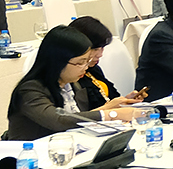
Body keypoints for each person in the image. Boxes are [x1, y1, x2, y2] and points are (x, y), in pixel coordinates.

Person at [6, 26, 147, 138]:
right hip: (29, 158)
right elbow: (58, 120)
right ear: (57, 62)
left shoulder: (71, 83)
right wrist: (112, 114)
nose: (85, 67)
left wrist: (110, 108)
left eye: (87, 61)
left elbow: (75, 119)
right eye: (80, 63)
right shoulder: (29, 91)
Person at [68, 16, 146, 110]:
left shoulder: (94, 70)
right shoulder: (71, 77)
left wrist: (126, 101)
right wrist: (109, 108)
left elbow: (111, 101)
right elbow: (78, 115)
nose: (100, 54)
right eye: (95, 49)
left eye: (102, 48)